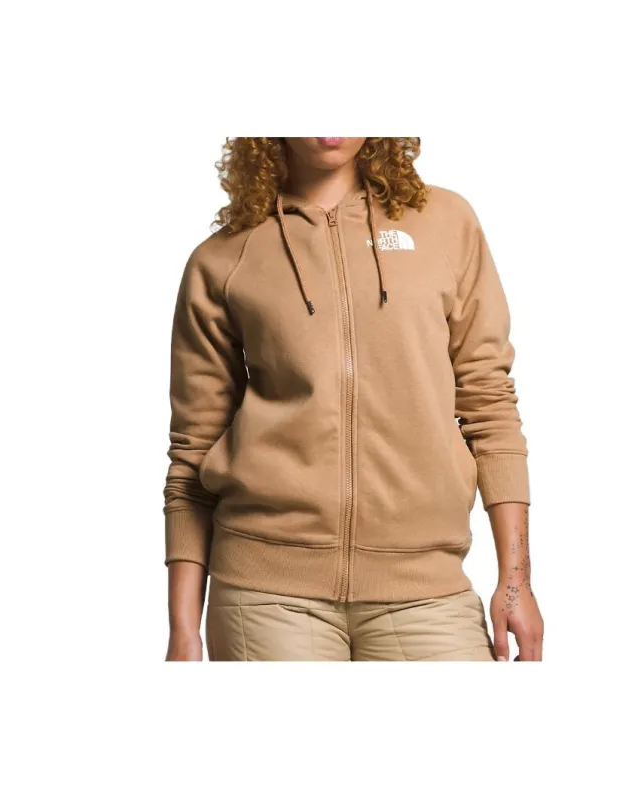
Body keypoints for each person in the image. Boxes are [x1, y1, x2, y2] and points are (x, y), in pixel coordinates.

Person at [163, 137, 543, 661]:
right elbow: (193, 450)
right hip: (265, 596)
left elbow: (489, 402)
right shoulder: (224, 257)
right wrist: (183, 630)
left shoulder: (445, 224)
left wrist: (516, 581)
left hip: (425, 588)